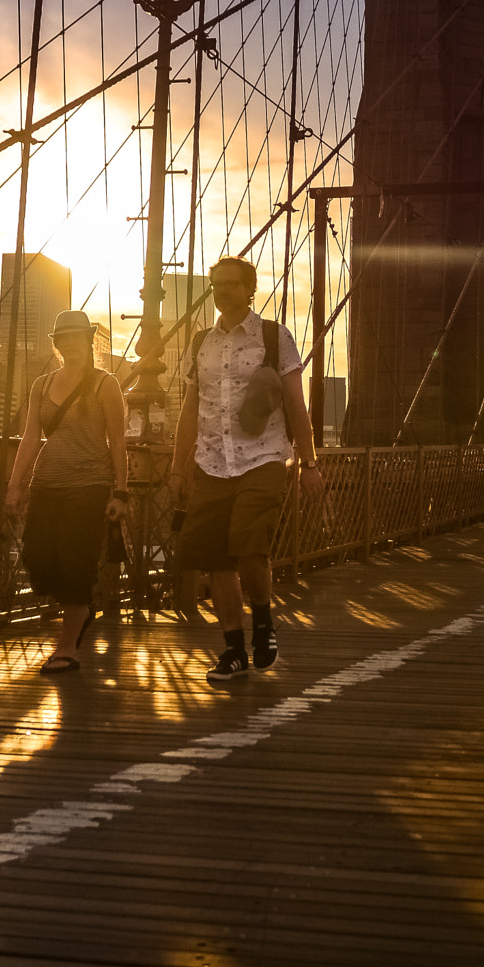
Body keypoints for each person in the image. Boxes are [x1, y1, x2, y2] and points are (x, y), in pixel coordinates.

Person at [167, 254, 326, 683]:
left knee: (250, 547)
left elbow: (296, 403)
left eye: (231, 284)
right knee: (216, 560)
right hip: (211, 462)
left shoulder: (274, 337)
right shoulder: (201, 342)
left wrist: (309, 462)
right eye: (216, 284)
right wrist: (179, 468)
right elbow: (189, 409)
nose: (221, 291)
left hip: (263, 458)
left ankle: (264, 623)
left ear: (249, 288)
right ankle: (234, 650)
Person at [5, 311, 130, 673]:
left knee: (76, 564)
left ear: (89, 340)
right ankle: (82, 609)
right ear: (56, 343)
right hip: (45, 483)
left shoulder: (105, 384)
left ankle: (67, 646)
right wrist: (15, 485)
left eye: (77, 336)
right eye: (63, 337)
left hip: (88, 485)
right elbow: (31, 437)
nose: (70, 343)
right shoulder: (42, 385)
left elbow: (117, 441)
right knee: (38, 559)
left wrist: (120, 492)